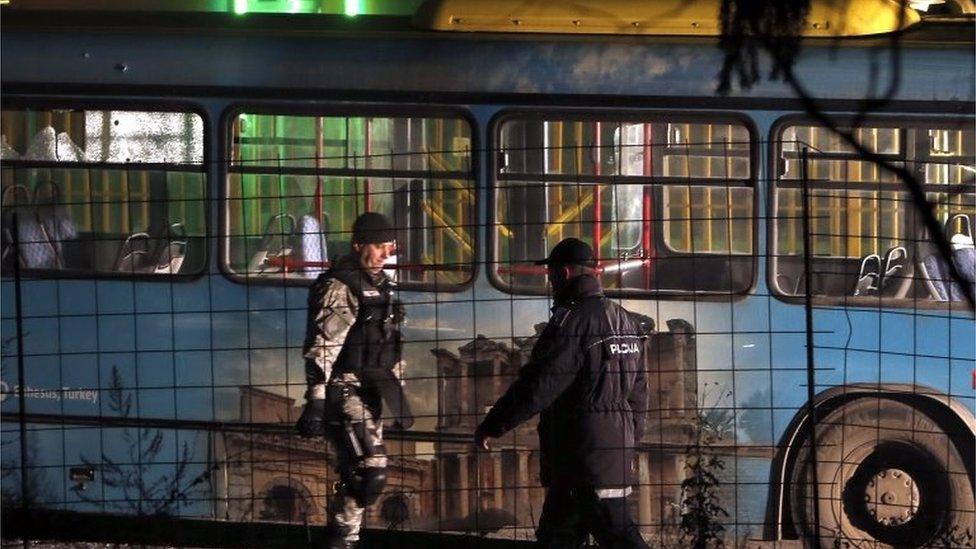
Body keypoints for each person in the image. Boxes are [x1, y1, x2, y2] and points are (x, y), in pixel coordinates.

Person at [475, 237, 649, 548]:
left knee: (617, 534)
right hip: (606, 453)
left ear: (565, 274)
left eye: (552, 274)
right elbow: (638, 392)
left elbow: (541, 384)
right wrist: (629, 440)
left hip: (581, 454)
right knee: (561, 536)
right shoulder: (625, 320)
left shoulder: (571, 321)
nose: (551, 282)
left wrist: (494, 424)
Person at [296, 212, 413, 549]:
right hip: (344, 390)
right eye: (379, 247)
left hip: (373, 391)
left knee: (358, 479)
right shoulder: (339, 286)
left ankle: (345, 540)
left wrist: (396, 393)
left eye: (389, 247)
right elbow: (322, 346)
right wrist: (316, 402)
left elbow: (389, 344)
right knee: (370, 471)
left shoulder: (382, 287)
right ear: (359, 245)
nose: (386, 254)